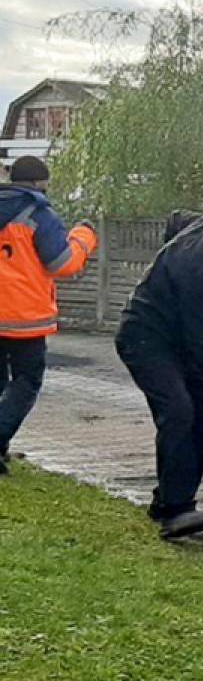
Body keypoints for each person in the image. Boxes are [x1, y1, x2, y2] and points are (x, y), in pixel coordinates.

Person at [114, 198, 203, 538]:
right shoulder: (202, 272)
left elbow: (176, 215)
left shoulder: (202, 223)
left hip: (176, 341)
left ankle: (168, 498)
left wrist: (166, 255)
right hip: (145, 338)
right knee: (178, 412)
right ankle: (177, 511)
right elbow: (201, 342)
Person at [0, 156, 97, 474]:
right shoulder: (39, 214)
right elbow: (62, 264)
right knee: (26, 382)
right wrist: (84, 238)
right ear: (41, 183)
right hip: (24, 317)